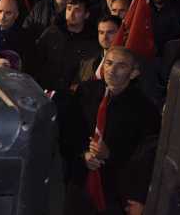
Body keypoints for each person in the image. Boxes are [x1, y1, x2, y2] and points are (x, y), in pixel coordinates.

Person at [61, 47, 161, 215]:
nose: (112, 70)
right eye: (109, 63)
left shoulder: (145, 109)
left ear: (134, 73)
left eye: (121, 66)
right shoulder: (85, 91)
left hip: (117, 190)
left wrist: (110, 154)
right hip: (80, 181)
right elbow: (69, 130)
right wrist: (83, 153)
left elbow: (147, 156)